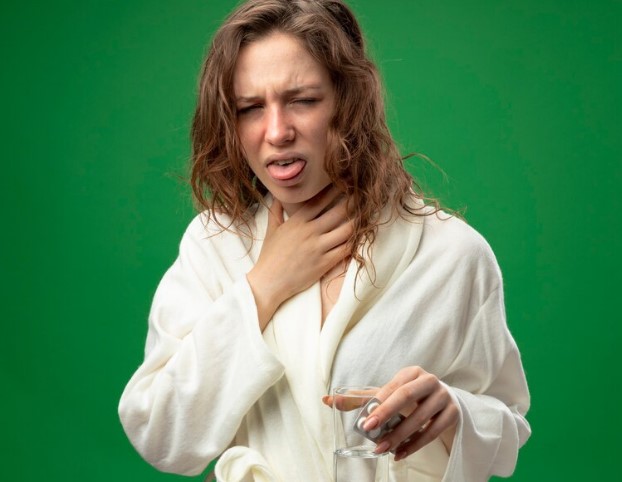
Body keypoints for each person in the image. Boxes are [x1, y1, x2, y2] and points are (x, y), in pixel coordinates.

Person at [118, 1, 531, 481]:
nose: (277, 132)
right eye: (251, 108)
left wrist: (454, 410)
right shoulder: (216, 246)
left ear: (348, 102)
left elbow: (507, 429)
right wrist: (263, 286)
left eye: (303, 100)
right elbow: (159, 433)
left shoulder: (451, 254)